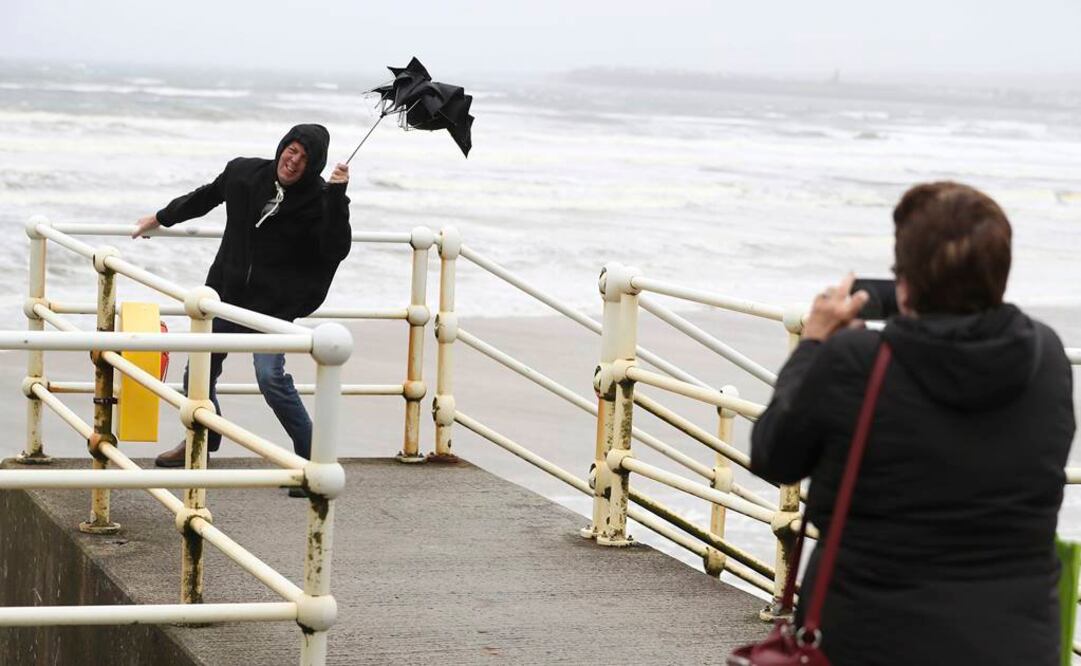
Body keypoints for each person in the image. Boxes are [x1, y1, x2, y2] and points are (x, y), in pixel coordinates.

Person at [750, 182, 1075, 665]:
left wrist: (815, 345)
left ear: (904, 283)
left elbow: (774, 453)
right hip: (1016, 643)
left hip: (872, 638)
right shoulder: (1046, 355)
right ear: (999, 275)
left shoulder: (857, 360)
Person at [132, 124, 351, 488]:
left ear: (314, 165)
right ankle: (202, 439)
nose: (294, 161)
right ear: (282, 147)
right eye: (291, 150)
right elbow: (205, 197)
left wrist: (338, 195)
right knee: (199, 373)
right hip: (227, 295)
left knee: (270, 379)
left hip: (273, 307)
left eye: (305, 157)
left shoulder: (320, 198)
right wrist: (159, 218)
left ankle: (313, 458)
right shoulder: (244, 172)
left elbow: (334, 248)